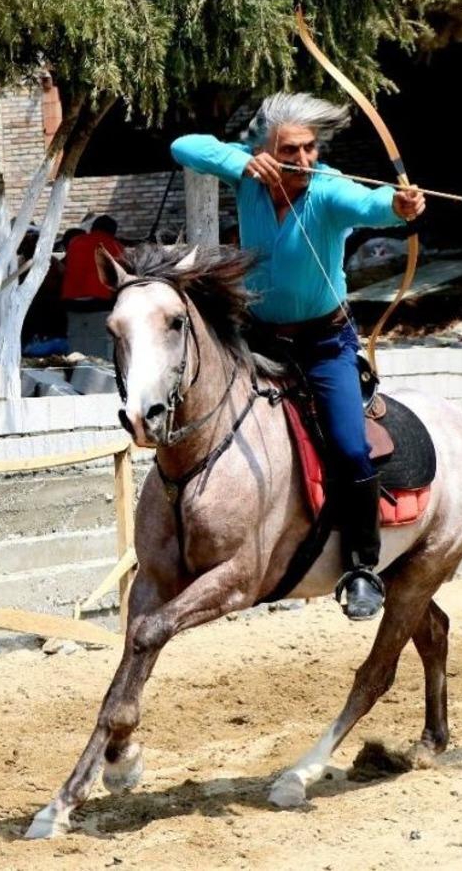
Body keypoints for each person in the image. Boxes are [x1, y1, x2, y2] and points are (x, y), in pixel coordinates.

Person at [171, 91, 424, 620]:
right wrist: (244, 161)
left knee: (351, 448)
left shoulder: (328, 191)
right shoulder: (250, 178)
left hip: (322, 343)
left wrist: (400, 208)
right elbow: (184, 145)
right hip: (255, 338)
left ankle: (361, 567)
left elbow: (372, 205)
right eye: (290, 149)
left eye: (310, 148)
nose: (304, 160)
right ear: (267, 148)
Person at [61, 214, 123, 358]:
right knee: (100, 346)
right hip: (100, 304)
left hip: (72, 303)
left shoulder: (76, 242)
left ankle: (74, 371)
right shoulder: (115, 246)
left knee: (76, 343)